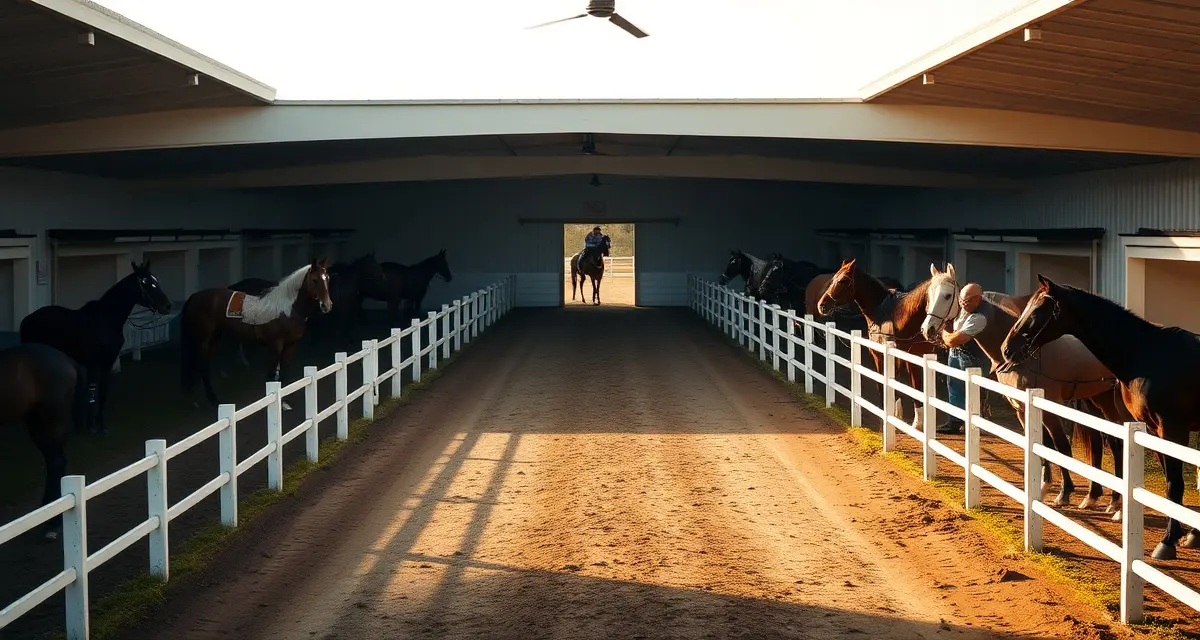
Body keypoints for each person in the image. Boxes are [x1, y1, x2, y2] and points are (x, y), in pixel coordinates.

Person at [937, 282, 987, 435]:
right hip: (956, 353)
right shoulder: (961, 310)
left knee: (973, 389)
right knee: (953, 385)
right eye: (961, 300)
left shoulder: (980, 317)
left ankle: (975, 421)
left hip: (972, 356)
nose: (963, 304)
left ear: (978, 299)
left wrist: (945, 334)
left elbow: (954, 339)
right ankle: (955, 421)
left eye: (967, 301)